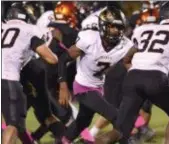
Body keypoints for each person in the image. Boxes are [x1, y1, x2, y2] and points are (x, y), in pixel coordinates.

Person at [96, 2, 169, 144]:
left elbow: (127, 59)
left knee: (119, 131)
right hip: (156, 77)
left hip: (132, 77)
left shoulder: (145, 30)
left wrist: (138, 74)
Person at [57, 6, 134, 143]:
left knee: (82, 122)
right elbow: (63, 59)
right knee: (119, 119)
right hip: (83, 87)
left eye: (119, 27)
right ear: (103, 26)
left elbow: (132, 63)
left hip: (98, 86)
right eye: (112, 26)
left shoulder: (126, 45)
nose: (116, 31)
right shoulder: (89, 39)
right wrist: (62, 86)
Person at [20, 1, 80, 142]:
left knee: (44, 114)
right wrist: (63, 83)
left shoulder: (47, 27)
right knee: (65, 116)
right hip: (48, 77)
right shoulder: (69, 33)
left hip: (33, 72)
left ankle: (34, 137)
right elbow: (62, 60)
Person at [1, 2, 58, 144]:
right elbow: (51, 59)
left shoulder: (3, 28)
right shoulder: (29, 29)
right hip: (8, 79)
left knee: (18, 124)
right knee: (13, 125)